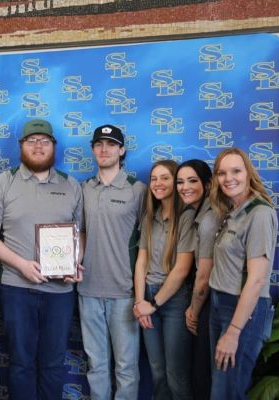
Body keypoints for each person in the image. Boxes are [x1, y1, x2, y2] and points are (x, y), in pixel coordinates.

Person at [0, 119, 84, 400]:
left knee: (52, 363)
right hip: (17, 288)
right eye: (31, 141)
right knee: (21, 363)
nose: (38, 146)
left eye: (44, 141)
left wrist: (74, 264)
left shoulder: (71, 185)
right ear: (21, 146)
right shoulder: (3, 182)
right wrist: (22, 265)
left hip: (60, 291)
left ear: (54, 147)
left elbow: (79, 235)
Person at [77, 124, 146, 400]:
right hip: (88, 290)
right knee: (96, 366)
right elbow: (78, 234)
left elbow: (148, 242)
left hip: (124, 293)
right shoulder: (84, 189)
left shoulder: (138, 190)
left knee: (127, 367)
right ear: (93, 150)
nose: (104, 149)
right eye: (98, 144)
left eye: (110, 144)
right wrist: (73, 264)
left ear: (122, 150)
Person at [209, 147, 277, 400]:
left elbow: (257, 279)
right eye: (222, 173)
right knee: (222, 387)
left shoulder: (259, 213)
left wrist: (234, 331)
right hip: (219, 304)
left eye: (236, 171)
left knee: (227, 392)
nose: (229, 178)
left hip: (242, 311)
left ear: (248, 173)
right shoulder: (232, 211)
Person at [133, 159, 195, 400]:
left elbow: (181, 269)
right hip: (148, 297)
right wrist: (140, 303)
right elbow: (141, 262)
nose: (158, 183)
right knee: (157, 371)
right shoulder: (151, 216)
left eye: (165, 178)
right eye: (154, 178)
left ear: (176, 182)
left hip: (174, 301)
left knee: (175, 374)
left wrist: (154, 304)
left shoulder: (187, 217)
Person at [175, 159, 217, 400]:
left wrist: (193, 309)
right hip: (204, 301)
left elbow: (204, 274)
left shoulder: (209, 218)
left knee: (204, 376)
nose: (184, 187)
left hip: (210, 302)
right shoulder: (193, 212)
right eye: (180, 181)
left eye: (192, 181)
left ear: (208, 184)